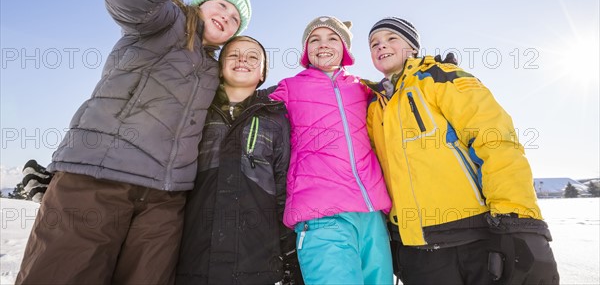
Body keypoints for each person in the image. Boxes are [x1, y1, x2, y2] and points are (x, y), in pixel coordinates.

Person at [16, 0, 286, 285]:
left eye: (237, 19)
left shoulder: (214, 73)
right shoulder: (162, 23)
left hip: (164, 201)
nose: (228, 16)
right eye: (221, 5)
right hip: (99, 179)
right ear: (199, 2)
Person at [365, 17, 559, 285]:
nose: (381, 46)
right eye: (374, 43)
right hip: (417, 249)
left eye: (391, 39)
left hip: (473, 235)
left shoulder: (441, 78)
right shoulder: (375, 107)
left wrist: (519, 220)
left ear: (411, 47)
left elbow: (495, 141)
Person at [270, 16, 394, 285]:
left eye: (332, 38)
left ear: (345, 48)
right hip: (321, 215)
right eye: (314, 39)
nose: (322, 45)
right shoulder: (290, 88)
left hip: (371, 213)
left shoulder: (363, 88)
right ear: (306, 50)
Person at [175, 35, 302, 285]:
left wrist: (288, 256)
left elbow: (283, 190)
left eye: (253, 56)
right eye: (233, 54)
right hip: (194, 260)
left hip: (256, 264)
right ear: (220, 68)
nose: (242, 59)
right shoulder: (197, 110)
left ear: (263, 73)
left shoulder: (276, 119)